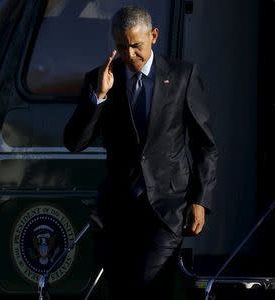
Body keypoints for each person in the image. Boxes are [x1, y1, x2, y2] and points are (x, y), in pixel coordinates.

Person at [64, 5, 218, 299]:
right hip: (118, 213)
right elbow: (74, 142)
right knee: (121, 290)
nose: (130, 54)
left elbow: (205, 144)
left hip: (166, 209)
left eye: (137, 45)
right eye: (122, 47)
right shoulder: (101, 79)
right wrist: (99, 97)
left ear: (154, 36)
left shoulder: (182, 76)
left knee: (150, 286)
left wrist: (200, 199)